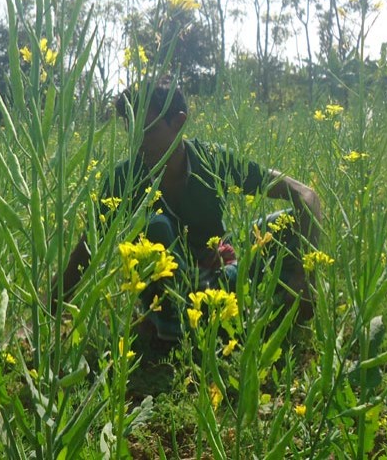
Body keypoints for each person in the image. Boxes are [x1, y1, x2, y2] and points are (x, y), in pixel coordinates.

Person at [53, 78, 322, 342]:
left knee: (288, 224)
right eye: (133, 131)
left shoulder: (211, 159)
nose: (139, 142)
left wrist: (304, 277)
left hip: (220, 280)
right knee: (155, 226)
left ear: (179, 123)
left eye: (148, 131)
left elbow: (305, 195)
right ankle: (177, 330)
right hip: (170, 296)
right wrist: (48, 312)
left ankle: (260, 316)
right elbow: (87, 250)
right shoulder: (124, 179)